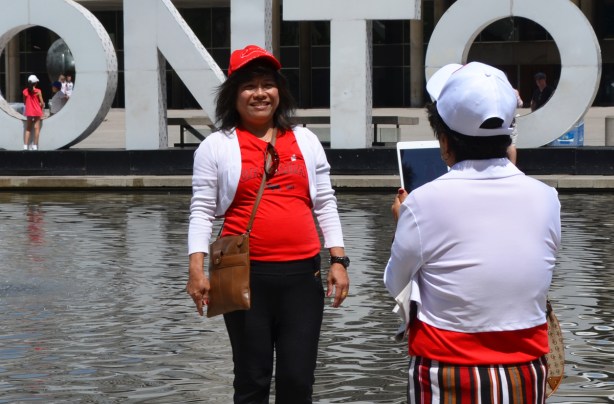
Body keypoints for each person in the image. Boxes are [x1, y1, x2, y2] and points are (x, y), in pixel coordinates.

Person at [384, 62, 561, 402]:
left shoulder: (421, 204)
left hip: (446, 371)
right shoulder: (547, 198)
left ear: (445, 140)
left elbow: (396, 282)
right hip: (525, 370)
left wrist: (402, 223)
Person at [186, 44, 350, 403]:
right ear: (233, 95)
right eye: (249, 86)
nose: (259, 94)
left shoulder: (305, 140)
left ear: (279, 91)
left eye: (267, 84)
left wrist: (338, 260)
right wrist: (196, 270)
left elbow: (324, 202)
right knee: (251, 379)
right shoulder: (216, 146)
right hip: (243, 274)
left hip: (303, 278)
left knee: (297, 381)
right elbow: (200, 210)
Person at [22, 74, 45, 150]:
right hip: (37, 111)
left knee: (28, 129)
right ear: (35, 83)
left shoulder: (25, 91)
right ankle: (34, 146)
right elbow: (42, 103)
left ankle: (25, 146)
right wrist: (41, 107)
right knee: (36, 128)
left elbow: (24, 102)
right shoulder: (38, 91)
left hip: (29, 112)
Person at [507, 88, 524, 164]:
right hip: (510, 121)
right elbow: (520, 104)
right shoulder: (513, 91)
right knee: (511, 144)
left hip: (496, 121)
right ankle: (513, 168)